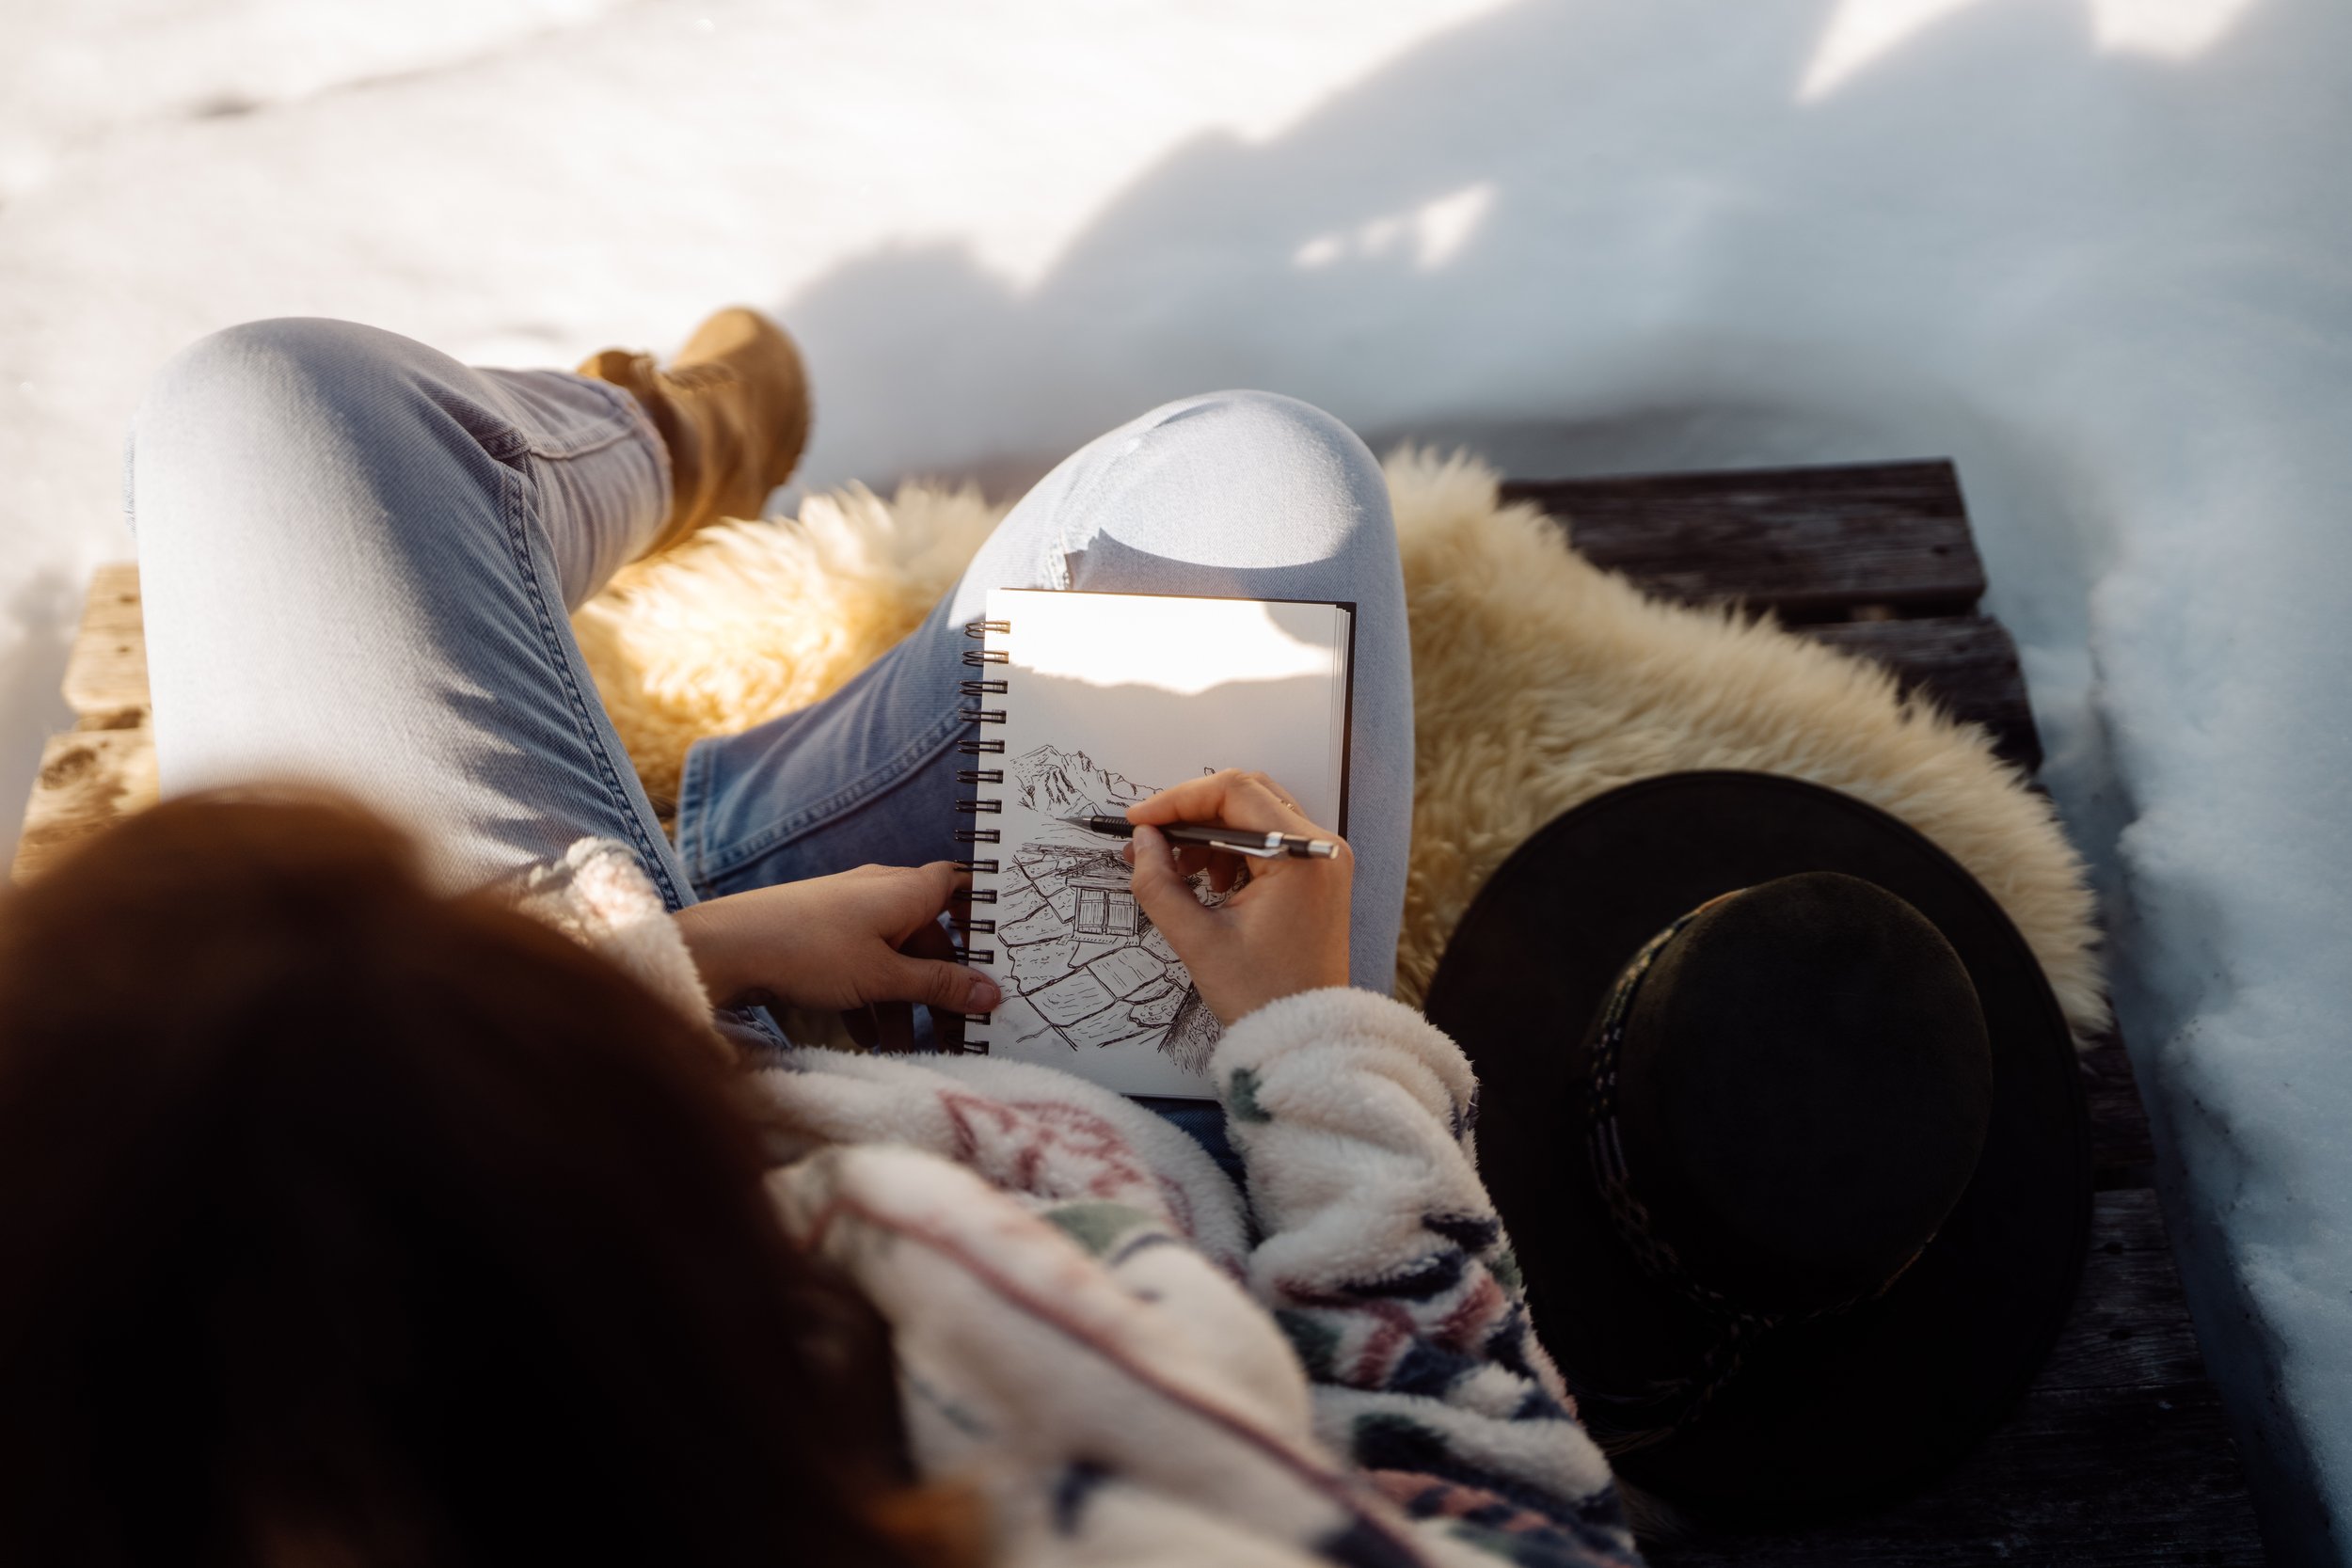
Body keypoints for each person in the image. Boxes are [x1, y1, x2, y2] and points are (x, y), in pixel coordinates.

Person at [0, 310, 1642, 1564]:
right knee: (1250, 488)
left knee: (269, 409)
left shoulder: (240, 1350)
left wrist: (681, 963)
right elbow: (1519, 1516)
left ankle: (658, 461)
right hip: (1152, 1113)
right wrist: (1306, 1038)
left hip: (598, 1068)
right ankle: (681, 784)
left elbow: (349, 1139)